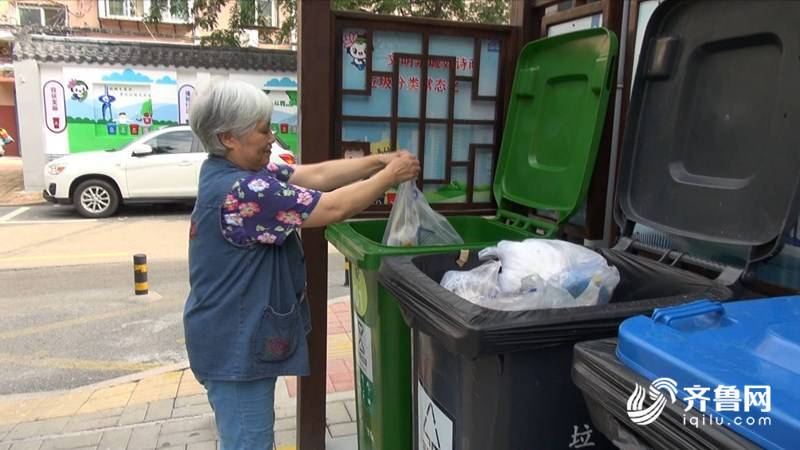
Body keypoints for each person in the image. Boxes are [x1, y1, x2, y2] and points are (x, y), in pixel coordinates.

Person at [184, 80, 420, 450]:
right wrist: (390, 176)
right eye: (263, 129)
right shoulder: (243, 191)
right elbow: (333, 207)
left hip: (229, 336)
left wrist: (379, 160)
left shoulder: (230, 171)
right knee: (249, 442)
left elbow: (317, 176)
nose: (271, 137)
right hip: (234, 345)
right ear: (229, 137)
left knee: (246, 437)